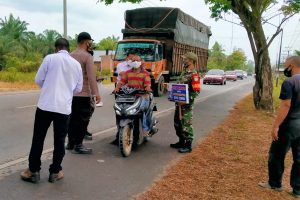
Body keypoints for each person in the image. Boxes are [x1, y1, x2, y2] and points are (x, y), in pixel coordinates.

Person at [20, 38, 83, 183]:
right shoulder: (76, 65)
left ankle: (33, 171)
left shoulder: (49, 58)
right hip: (64, 108)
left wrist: (49, 88)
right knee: (60, 140)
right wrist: (65, 91)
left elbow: (38, 79)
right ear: (68, 48)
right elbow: (78, 89)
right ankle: (55, 172)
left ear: (56, 48)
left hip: (45, 105)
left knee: (38, 138)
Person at [259, 56, 300, 198]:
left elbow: (286, 105)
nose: (284, 68)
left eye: (286, 65)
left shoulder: (289, 82)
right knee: (299, 158)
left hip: (289, 124)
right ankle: (297, 190)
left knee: (276, 154)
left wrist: (276, 126)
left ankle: (274, 183)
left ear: (292, 66)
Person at [66, 32, 101, 154]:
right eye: (90, 42)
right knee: (82, 120)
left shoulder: (70, 56)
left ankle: (70, 143)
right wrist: (96, 94)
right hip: (83, 94)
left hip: (70, 95)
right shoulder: (87, 56)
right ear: (87, 42)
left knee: (71, 119)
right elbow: (91, 78)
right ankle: (78, 145)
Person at [114, 55, 152, 139]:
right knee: (119, 108)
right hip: (130, 96)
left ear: (141, 62)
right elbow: (121, 81)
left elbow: (147, 84)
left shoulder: (145, 74)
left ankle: (145, 129)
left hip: (142, 96)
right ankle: (119, 130)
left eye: (137, 60)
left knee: (141, 109)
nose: (135, 62)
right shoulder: (127, 72)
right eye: (133, 60)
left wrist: (147, 88)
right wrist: (117, 88)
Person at [170, 52, 200, 153]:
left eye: (185, 59)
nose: (184, 60)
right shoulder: (184, 72)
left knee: (186, 124)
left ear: (191, 61)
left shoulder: (194, 74)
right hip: (179, 103)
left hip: (186, 105)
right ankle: (181, 141)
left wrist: (186, 101)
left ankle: (188, 145)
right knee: (177, 123)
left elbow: (196, 92)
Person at [110, 52, 136, 145]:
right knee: (119, 112)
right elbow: (123, 75)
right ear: (127, 58)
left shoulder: (138, 66)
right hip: (121, 91)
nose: (133, 61)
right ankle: (119, 136)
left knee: (135, 112)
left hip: (135, 92)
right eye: (131, 58)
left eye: (135, 59)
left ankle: (136, 134)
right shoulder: (120, 65)